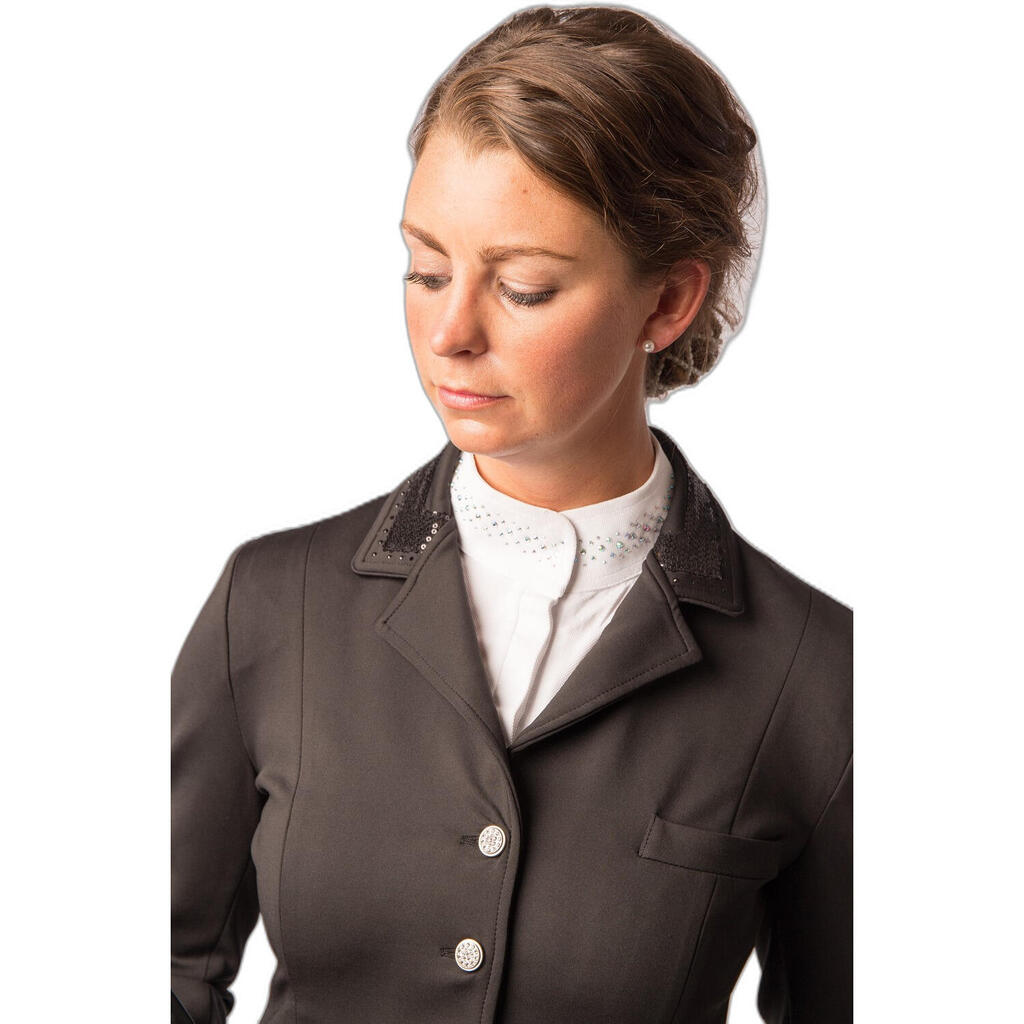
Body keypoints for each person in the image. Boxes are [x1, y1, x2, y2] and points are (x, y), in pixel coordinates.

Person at [170, 6, 852, 1023]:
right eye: (426, 269)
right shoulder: (271, 604)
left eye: (524, 287)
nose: (448, 331)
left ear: (667, 303)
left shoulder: (817, 675)